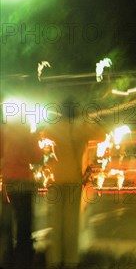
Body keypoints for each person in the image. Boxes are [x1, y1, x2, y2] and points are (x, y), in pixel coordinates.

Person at [42, 98, 106, 269]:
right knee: (71, 224)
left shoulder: (54, 127)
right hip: (73, 180)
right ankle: (71, 261)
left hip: (56, 179)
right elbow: (102, 134)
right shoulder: (80, 128)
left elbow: (43, 134)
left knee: (56, 223)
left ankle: (55, 260)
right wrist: (85, 119)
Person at [1, 110, 43, 269]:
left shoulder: (3, 131)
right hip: (24, 181)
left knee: (6, 219)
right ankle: (24, 253)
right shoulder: (28, 134)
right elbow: (37, 157)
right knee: (24, 220)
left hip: (8, 181)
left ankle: (6, 253)